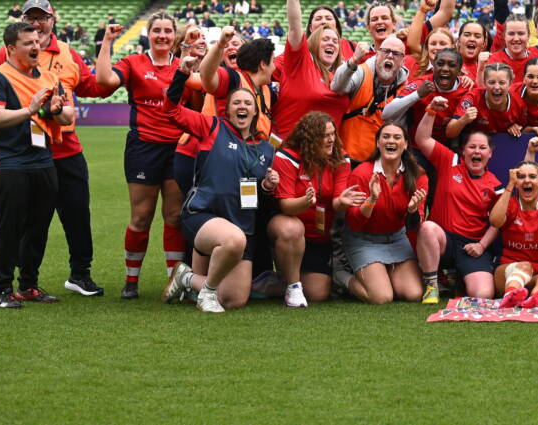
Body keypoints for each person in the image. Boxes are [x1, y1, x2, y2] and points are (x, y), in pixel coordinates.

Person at [0, 0, 114, 297]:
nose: (37, 23)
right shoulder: (2, 58)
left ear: (53, 21)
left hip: (65, 148)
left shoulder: (67, 55)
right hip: (19, 154)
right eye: (31, 17)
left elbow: (93, 87)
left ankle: (78, 274)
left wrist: (118, 72)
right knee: (21, 220)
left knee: (76, 215)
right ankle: (13, 282)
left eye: (43, 17)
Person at [160, 56, 276, 312]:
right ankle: (208, 292)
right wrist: (181, 73)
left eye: (248, 102)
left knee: (234, 299)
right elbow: (171, 111)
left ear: (256, 110)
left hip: (241, 227)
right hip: (203, 215)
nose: (242, 106)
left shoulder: (266, 149)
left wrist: (267, 186)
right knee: (232, 240)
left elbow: (258, 195)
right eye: (236, 103)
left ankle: (187, 278)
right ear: (227, 109)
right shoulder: (211, 127)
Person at [0, 22, 73, 307]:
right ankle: (4, 289)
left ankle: (29, 284)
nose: (36, 46)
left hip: (42, 161)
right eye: (28, 43)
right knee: (9, 226)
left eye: (37, 41)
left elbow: (67, 116)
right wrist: (29, 110)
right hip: (9, 162)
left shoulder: (48, 76)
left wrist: (55, 111)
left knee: (39, 226)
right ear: (11, 48)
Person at [96, 13, 188, 299]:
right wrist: (107, 42)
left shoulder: (183, 66)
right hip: (143, 148)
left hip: (177, 148)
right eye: (157, 30)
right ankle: (131, 280)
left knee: (174, 216)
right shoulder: (134, 62)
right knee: (141, 216)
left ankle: (173, 282)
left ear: (175, 35)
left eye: (167, 31)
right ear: (148, 34)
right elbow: (103, 80)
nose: (162, 35)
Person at [413, 96, 503, 301]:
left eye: (482, 148)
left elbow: (497, 223)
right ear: (463, 151)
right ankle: (432, 285)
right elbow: (422, 139)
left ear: (490, 153)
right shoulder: (450, 161)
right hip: (444, 240)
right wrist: (431, 111)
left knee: (483, 294)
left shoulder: (495, 184)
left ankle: (457, 279)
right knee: (427, 228)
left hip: (471, 245)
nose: (477, 152)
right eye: (472, 147)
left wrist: (481, 245)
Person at [267, 112, 360, 307]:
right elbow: (286, 206)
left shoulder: (340, 157)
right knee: (291, 228)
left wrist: (342, 201)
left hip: (318, 234)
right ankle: (292, 286)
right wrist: (306, 201)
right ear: (310, 138)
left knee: (318, 293)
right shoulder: (287, 158)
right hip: (289, 226)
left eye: (333, 134)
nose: (331, 139)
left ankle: (272, 283)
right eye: (325, 135)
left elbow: (337, 200)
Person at [340, 123, 427, 304]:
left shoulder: (418, 175)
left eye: (397, 137)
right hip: (364, 240)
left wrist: (412, 211)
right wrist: (371, 200)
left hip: (397, 238)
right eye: (385, 137)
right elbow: (354, 223)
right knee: (381, 297)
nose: (391, 141)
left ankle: (382, 273)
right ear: (378, 143)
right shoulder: (362, 173)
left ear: (405, 144)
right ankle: (340, 275)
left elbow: (415, 225)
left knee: (413, 294)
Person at [271, 0, 351, 139]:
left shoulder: (342, 73)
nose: (331, 43)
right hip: (290, 151)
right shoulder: (299, 60)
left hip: (326, 155)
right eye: (324, 39)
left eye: (335, 40)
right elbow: (294, 26)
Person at [489, 156, 538, 308]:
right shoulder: (511, 203)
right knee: (524, 266)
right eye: (521, 177)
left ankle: (535, 299)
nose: (527, 181)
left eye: (533, 176)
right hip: (507, 271)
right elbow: (495, 221)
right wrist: (510, 184)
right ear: (516, 182)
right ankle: (510, 294)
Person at [332, 37, 413, 164]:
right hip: (347, 158)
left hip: (381, 163)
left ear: (403, 61)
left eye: (396, 54)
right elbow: (337, 87)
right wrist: (353, 60)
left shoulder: (405, 88)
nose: (390, 56)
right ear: (377, 53)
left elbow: (401, 129)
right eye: (386, 51)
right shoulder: (361, 72)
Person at [448, 63, 525, 139]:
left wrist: (517, 128)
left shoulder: (518, 102)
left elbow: (526, 130)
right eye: (491, 82)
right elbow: (449, 133)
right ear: (484, 82)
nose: (497, 87)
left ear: (510, 84)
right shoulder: (472, 97)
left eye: (502, 83)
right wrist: (463, 120)